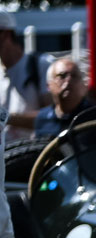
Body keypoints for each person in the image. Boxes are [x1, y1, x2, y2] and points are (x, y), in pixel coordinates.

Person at [0, 13, 49, 148]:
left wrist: (4, 117)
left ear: (5, 34)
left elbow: (53, 118)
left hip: (33, 159)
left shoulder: (40, 65)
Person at [32, 56, 96, 139]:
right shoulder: (42, 119)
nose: (68, 80)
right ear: (49, 85)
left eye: (74, 76)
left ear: (83, 84)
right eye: (62, 76)